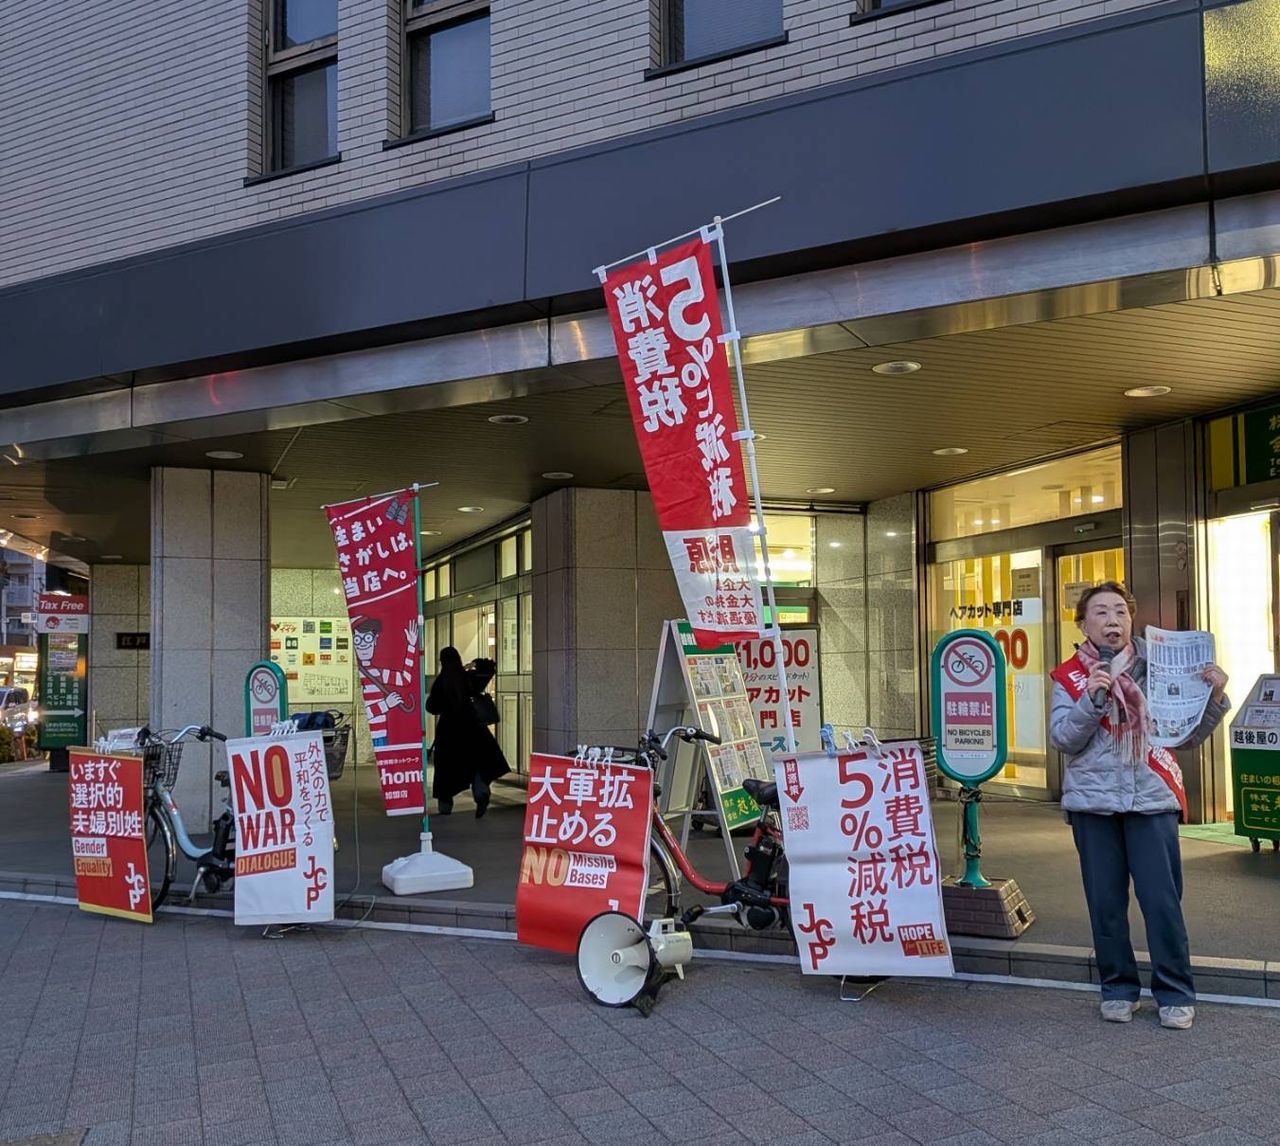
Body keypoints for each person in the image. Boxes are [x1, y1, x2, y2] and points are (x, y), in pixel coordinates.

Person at [1049, 581, 1229, 1030]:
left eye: (1121, 613)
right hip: (1093, 805)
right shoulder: (1069, 676)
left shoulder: (1159, 669)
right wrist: (1092, 699)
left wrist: (1215, 698)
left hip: (1152, 800)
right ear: (1083, 623)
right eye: (1102, 613)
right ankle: (1118, 988)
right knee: (1105, 902)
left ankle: (1175, 992)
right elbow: (1064, 739)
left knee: (1162, 901)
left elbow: (1186, 738)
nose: (1113, 621)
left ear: (1131, 620)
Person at [427, 646, 509, 818]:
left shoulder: (441, 682)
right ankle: (480, 791)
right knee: (477, 763)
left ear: (442, 662)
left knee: (447, 770)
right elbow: (489, 666)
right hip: (472, 728)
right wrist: (471, 665)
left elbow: (432, 707)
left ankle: (445, 805)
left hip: (449, 731)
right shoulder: (468, 678)